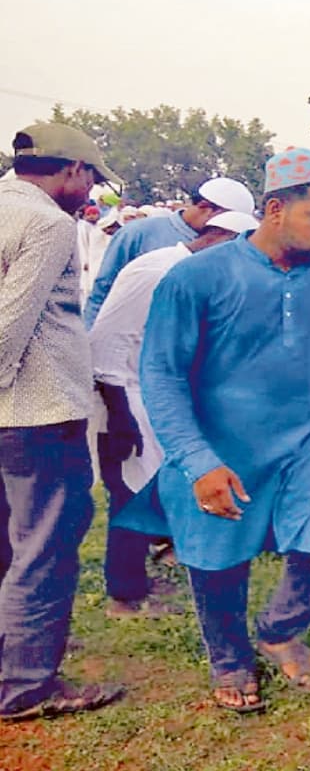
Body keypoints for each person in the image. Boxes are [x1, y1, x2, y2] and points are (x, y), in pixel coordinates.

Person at [118, 148, 310, 714]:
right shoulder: (197, 277)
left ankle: (278, 630)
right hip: (222, 441)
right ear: (275, 209)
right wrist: (198, 461)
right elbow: (161, 372)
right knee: (216, 554)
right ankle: (229, 659)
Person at [0, 123, 126, 721]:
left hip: (12, 418)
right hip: (36, 414)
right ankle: (26, 685)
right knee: (44, 548)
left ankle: (14, 658)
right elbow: (8, 328)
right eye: (92, 178)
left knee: (9, 545)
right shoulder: (47, 223)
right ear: (73, 169)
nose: (92, 191)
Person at [89, 210, 259, 618]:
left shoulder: (191, 273)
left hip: (152, 395)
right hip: (124, 395)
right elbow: (105, 343)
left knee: (162, 485)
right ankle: (124, 596)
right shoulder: (154, 269)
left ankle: (159, 561)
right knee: (130, 493)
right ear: (216, 235)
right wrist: (120, 418)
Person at [84, 175, 255, 327]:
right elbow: (102, 291)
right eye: (230, 219)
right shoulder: (138, 234)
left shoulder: (229, 245)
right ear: (205, 208)